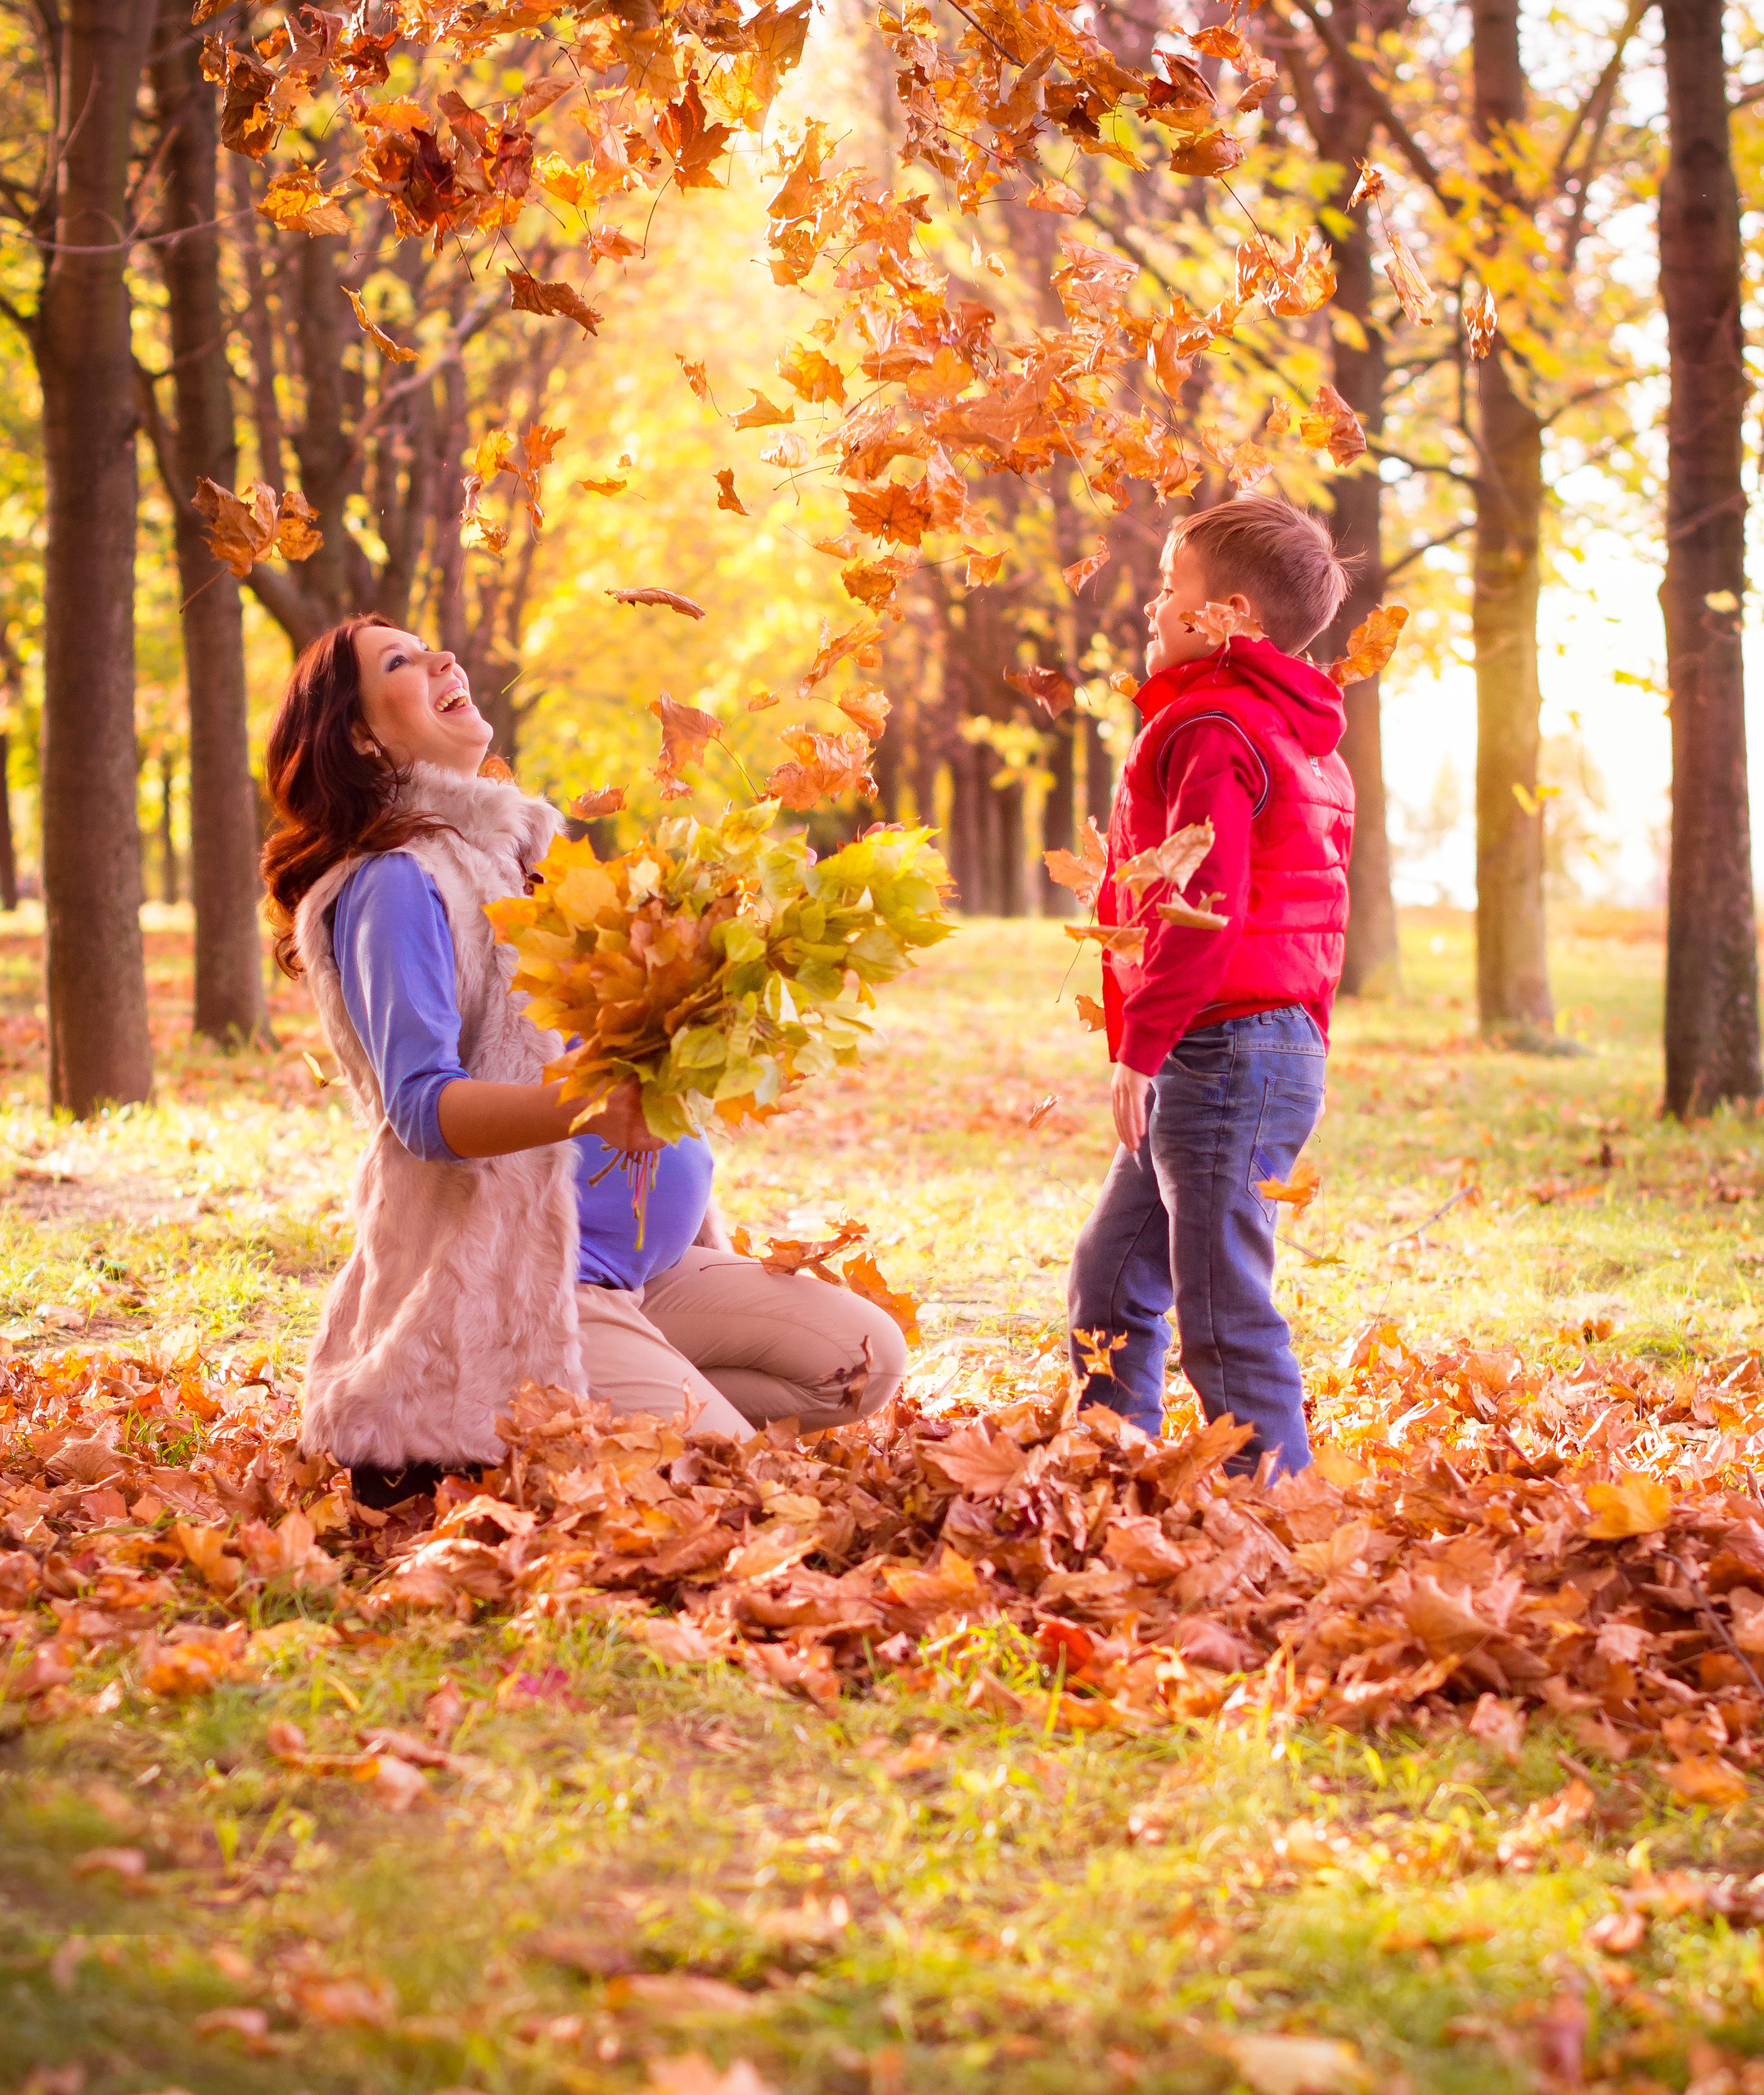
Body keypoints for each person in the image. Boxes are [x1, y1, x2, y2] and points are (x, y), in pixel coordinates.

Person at [260, 615, 906, 1507]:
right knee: (735, 1496)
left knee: (861, 1363)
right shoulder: (395, 882)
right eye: (399, 662)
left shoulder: (522, 862)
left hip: (652, 1275)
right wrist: (590, 1103)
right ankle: (466, 1429)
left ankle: (595, 1411)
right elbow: (421, 1107)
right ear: (363, 735)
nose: (444, 657)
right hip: (527, 1288)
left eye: (431, 644)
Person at [1065, 497, 1355, 1477]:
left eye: (1166, 588)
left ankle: (1276, 1512)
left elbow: (1201, 899)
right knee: (1109, 1280)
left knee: (1222, 1306)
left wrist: (1140, 1047)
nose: (1150, 607)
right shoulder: (1288, 732)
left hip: (1222, 1048)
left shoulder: (1214, 726)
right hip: (1246, 1044)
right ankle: (1109, 1469)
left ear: (1227, 613)